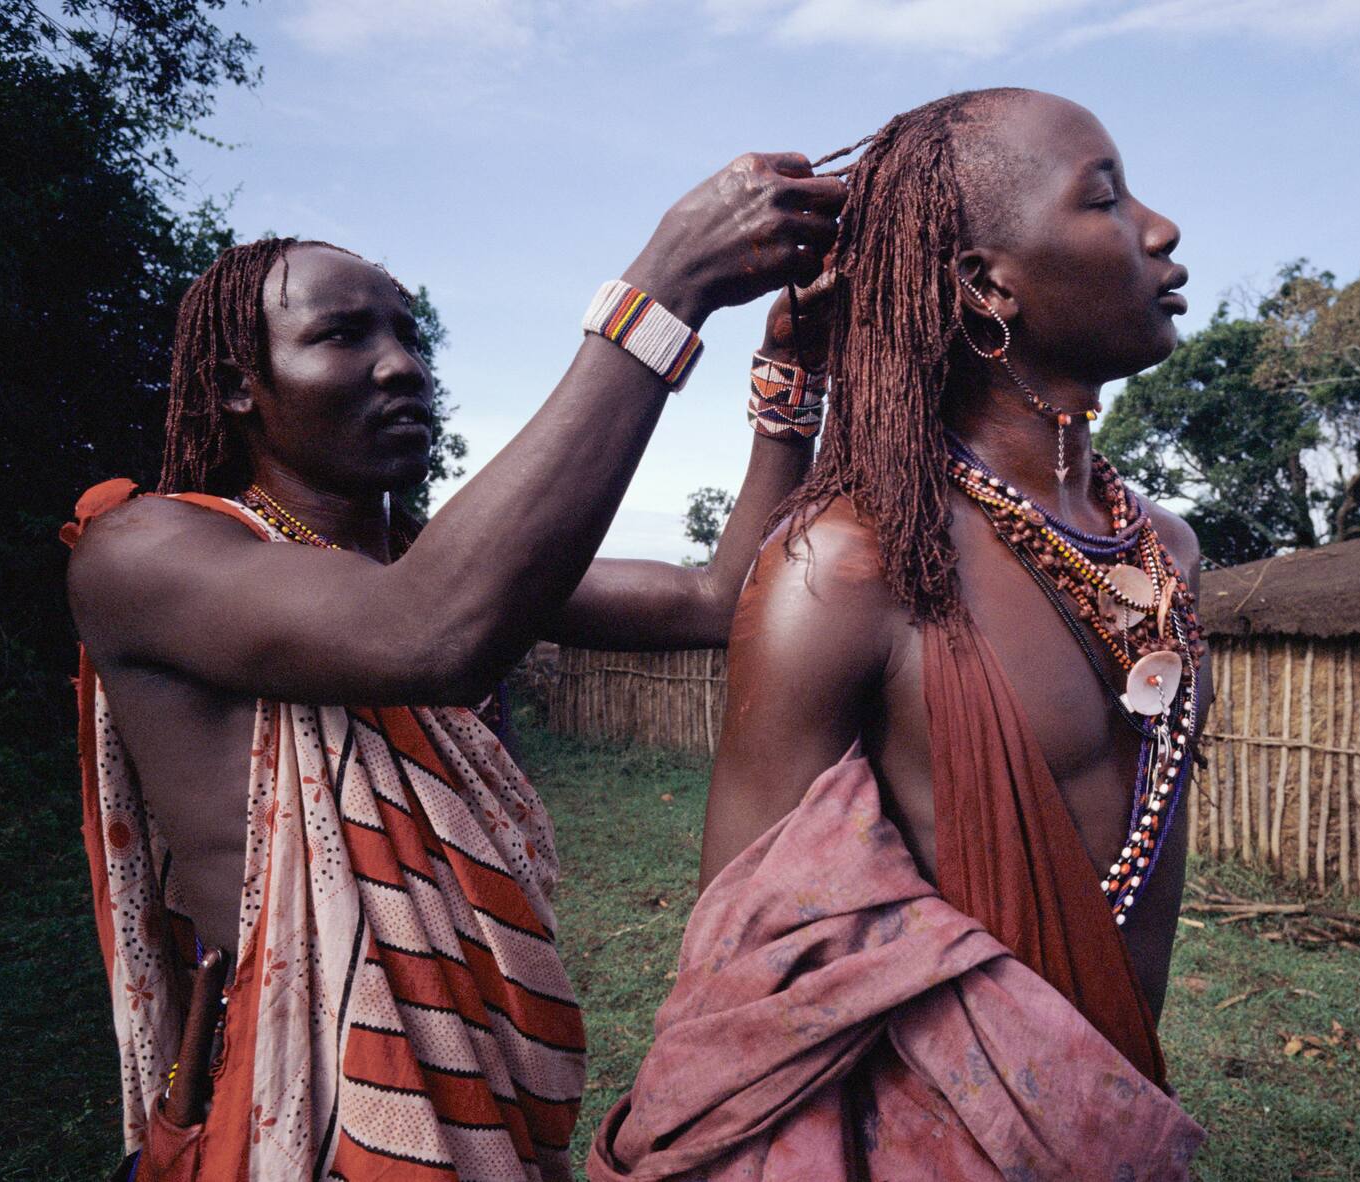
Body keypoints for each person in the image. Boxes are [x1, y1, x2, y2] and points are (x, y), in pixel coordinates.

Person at [63, 152, 843, 1181]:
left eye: (407, 334)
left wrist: (793, 381)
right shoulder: (150, 553)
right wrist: (663, 291)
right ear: (233, 387)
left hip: (495, 1087)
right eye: (343, 335)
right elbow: (427, 635)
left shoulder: (443, 571)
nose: (402, 364)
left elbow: (720, 595)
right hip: (304, 1113)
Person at [589, 89, 1209, 1181]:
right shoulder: (849, 568)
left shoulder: (1164, 550)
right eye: (1106, 198)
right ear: (985, 283)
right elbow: (749, 994)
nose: (1160, 230)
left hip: (1117, 1116)